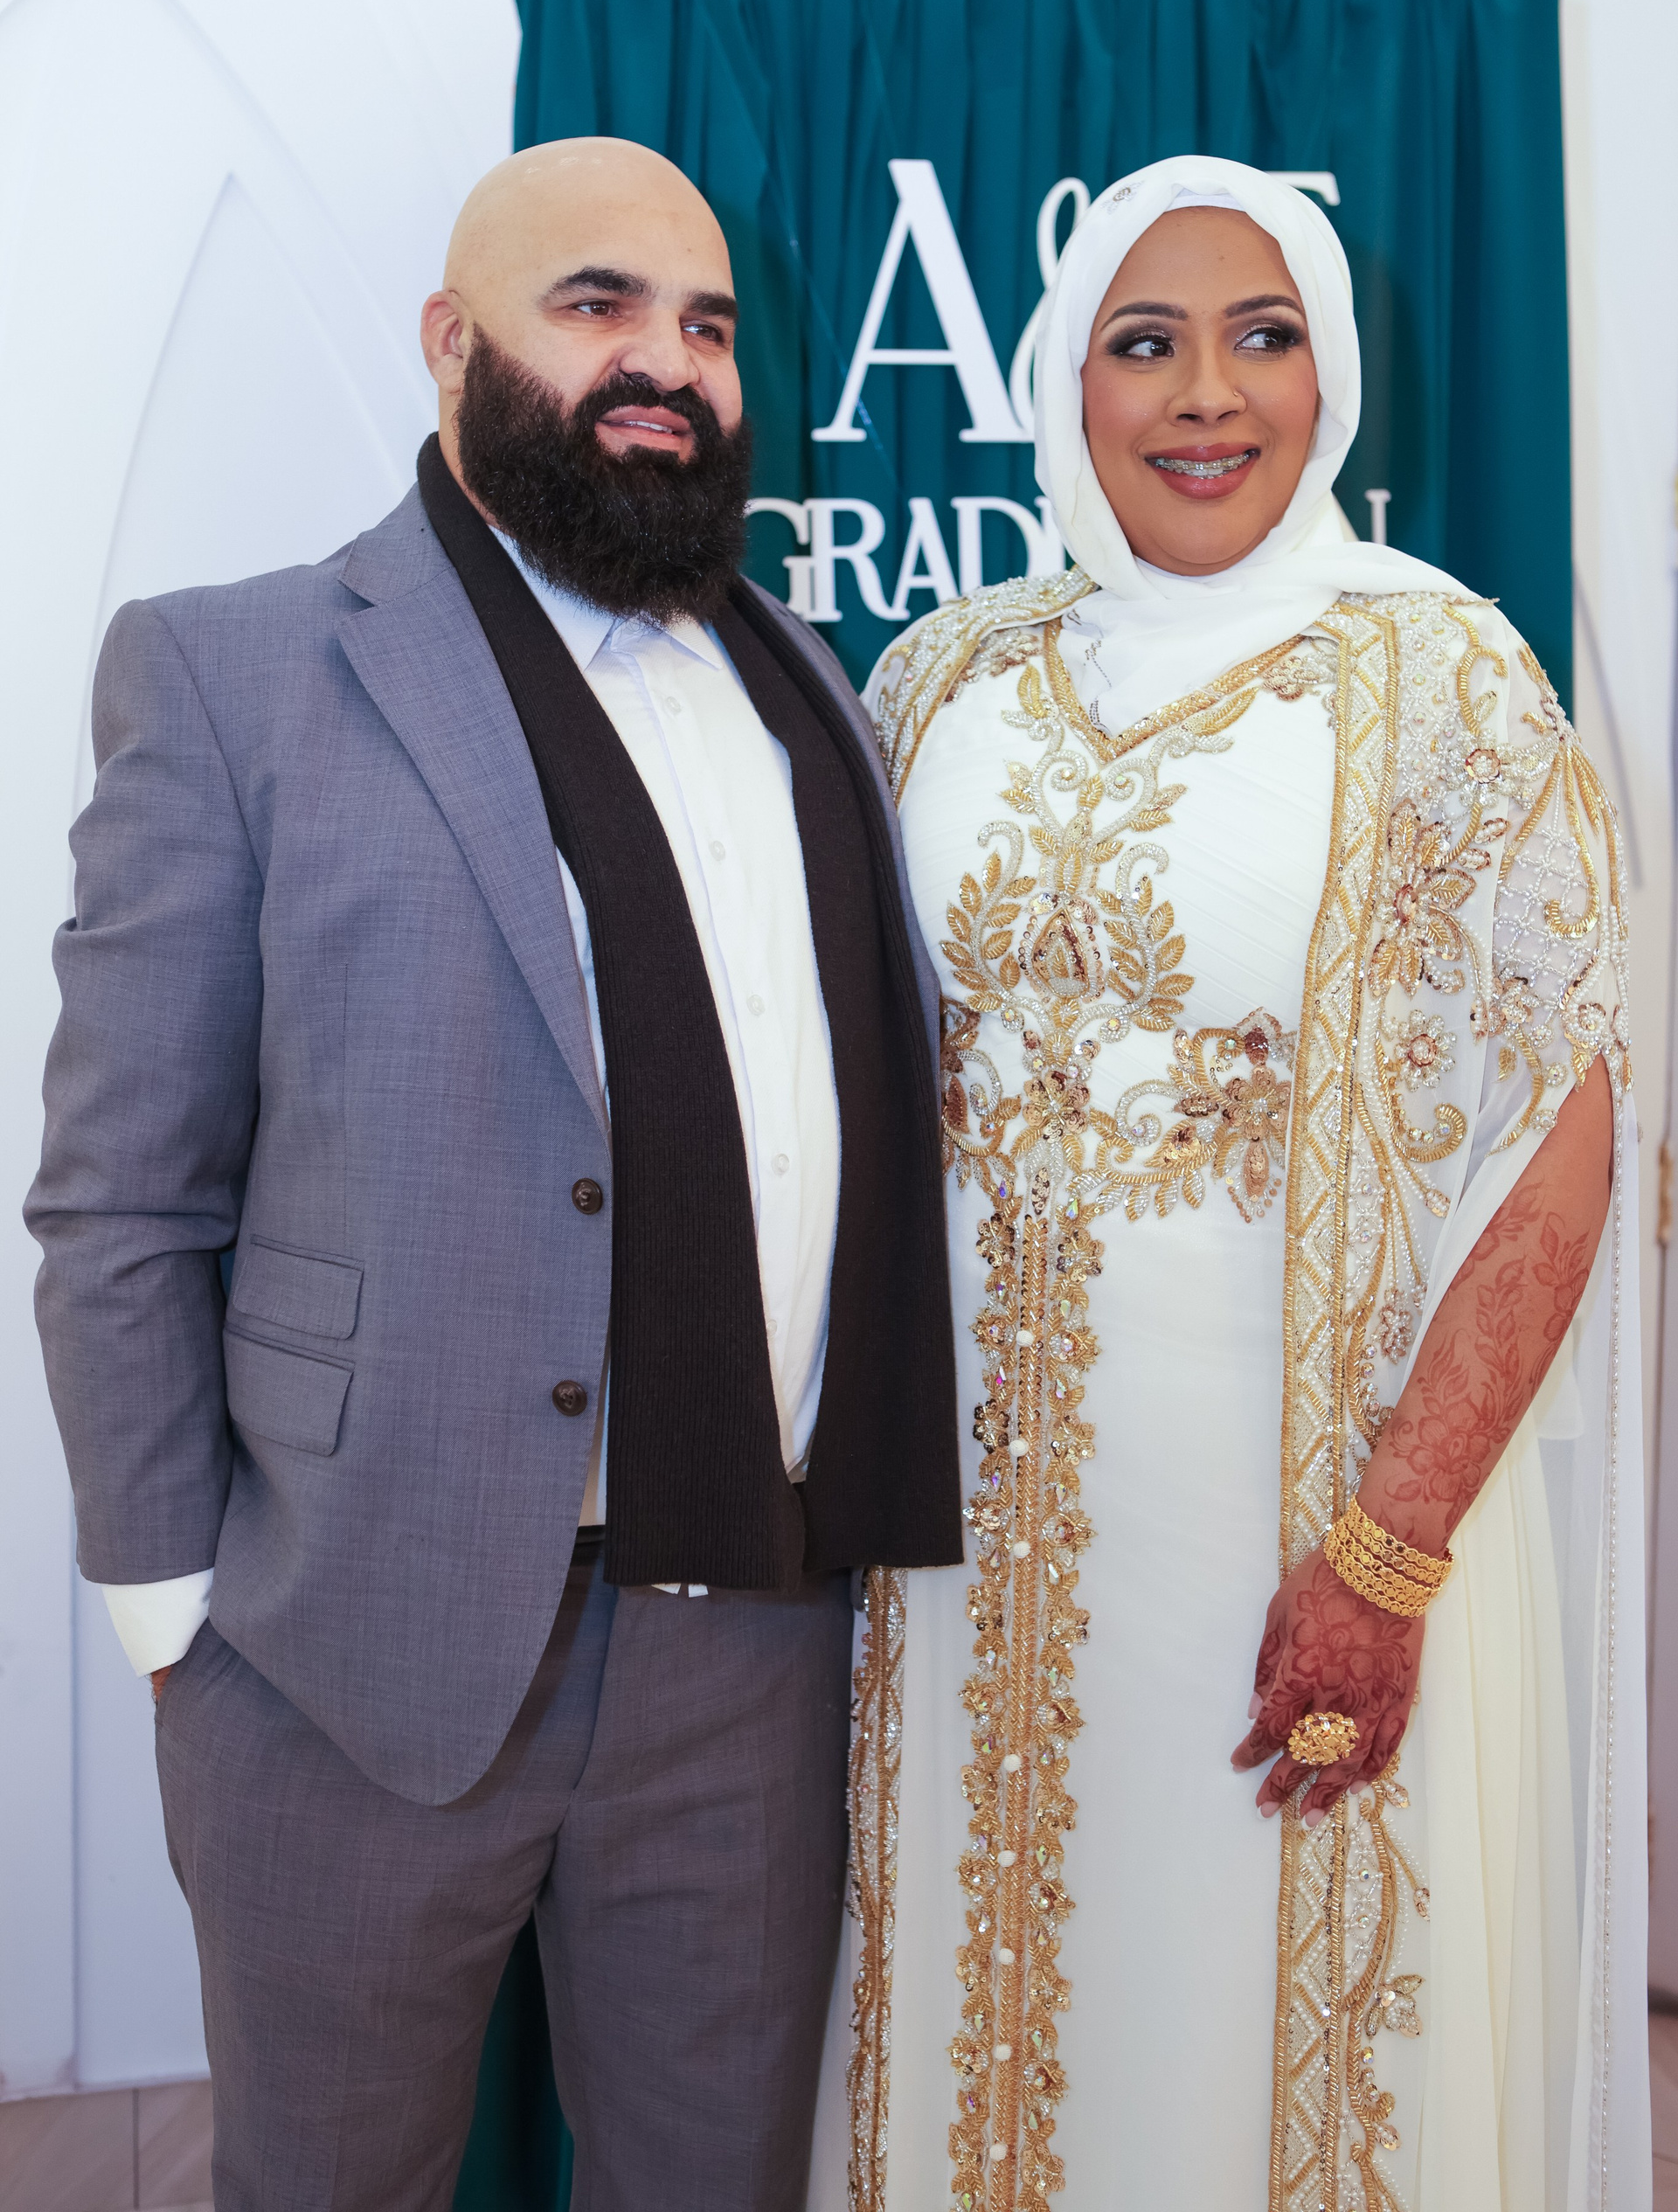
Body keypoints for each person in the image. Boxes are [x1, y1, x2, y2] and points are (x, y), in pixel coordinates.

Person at [26, 136, 962, 2212]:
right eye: (597, 304)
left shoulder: (807, 689)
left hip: (748, 1634)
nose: (666, 363)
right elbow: (122, 1194)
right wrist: (177, 1619)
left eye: (708, 325)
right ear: (452, 343)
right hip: (346, 1642)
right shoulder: (235, 671)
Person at [808, 155, 1646, 2210]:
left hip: (1294, 1537)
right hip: (959, 1548)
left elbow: (1566, 1121)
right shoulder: (938, 678)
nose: (1207, 395)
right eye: (1146, 342)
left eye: (1262, 337)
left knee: (1242, 2027)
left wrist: (1388, 1553)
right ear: (1066, 387)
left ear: (1330, 374)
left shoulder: (1445, 678)